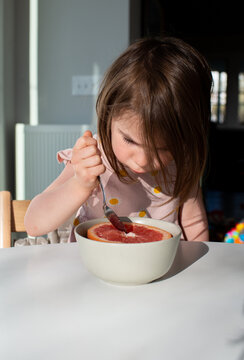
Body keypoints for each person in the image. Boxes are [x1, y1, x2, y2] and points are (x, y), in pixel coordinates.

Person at [24, 36, 213, 242]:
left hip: (158, 272)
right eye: (130, 141)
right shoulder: (93, 158)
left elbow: (194, 225)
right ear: (108, 116)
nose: (142, 160)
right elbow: (34, 224)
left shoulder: (181, 165)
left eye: (162, 149)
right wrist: (79, 184)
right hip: (88, 268)